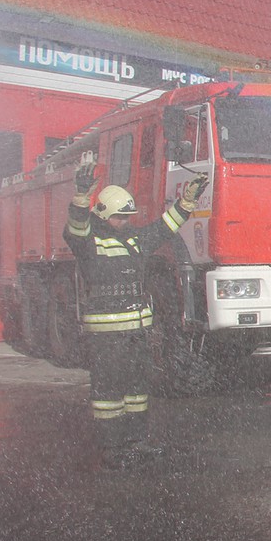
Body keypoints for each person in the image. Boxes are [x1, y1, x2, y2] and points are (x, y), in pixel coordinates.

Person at [64, 161, 209, 468]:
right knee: (108, 394)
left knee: (136, 391)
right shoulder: (90, 243)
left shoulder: (134, 240)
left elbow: (163, 227)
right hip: (107, 336)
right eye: (119, 216)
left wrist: (186, 204)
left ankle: (136, 441)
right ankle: (112, 449)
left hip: (136, 334)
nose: (124, 222)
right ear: (102, 214)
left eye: (127, 216)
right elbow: (76, 227)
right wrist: (81, 195)